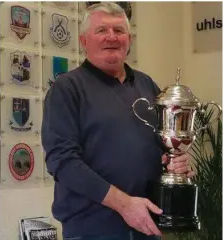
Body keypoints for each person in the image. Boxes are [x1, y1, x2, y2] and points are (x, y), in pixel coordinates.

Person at [41, 2, 194, 240]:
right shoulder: (67, 88)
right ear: (84, 42)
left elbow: (162, 147)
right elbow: (62, 162)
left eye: (119, 31)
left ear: (129, 40)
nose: (111, 37)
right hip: (92, 231)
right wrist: (124, 204)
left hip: (147, 226)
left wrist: (175, 161)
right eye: (102, 30)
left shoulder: (147, 85)